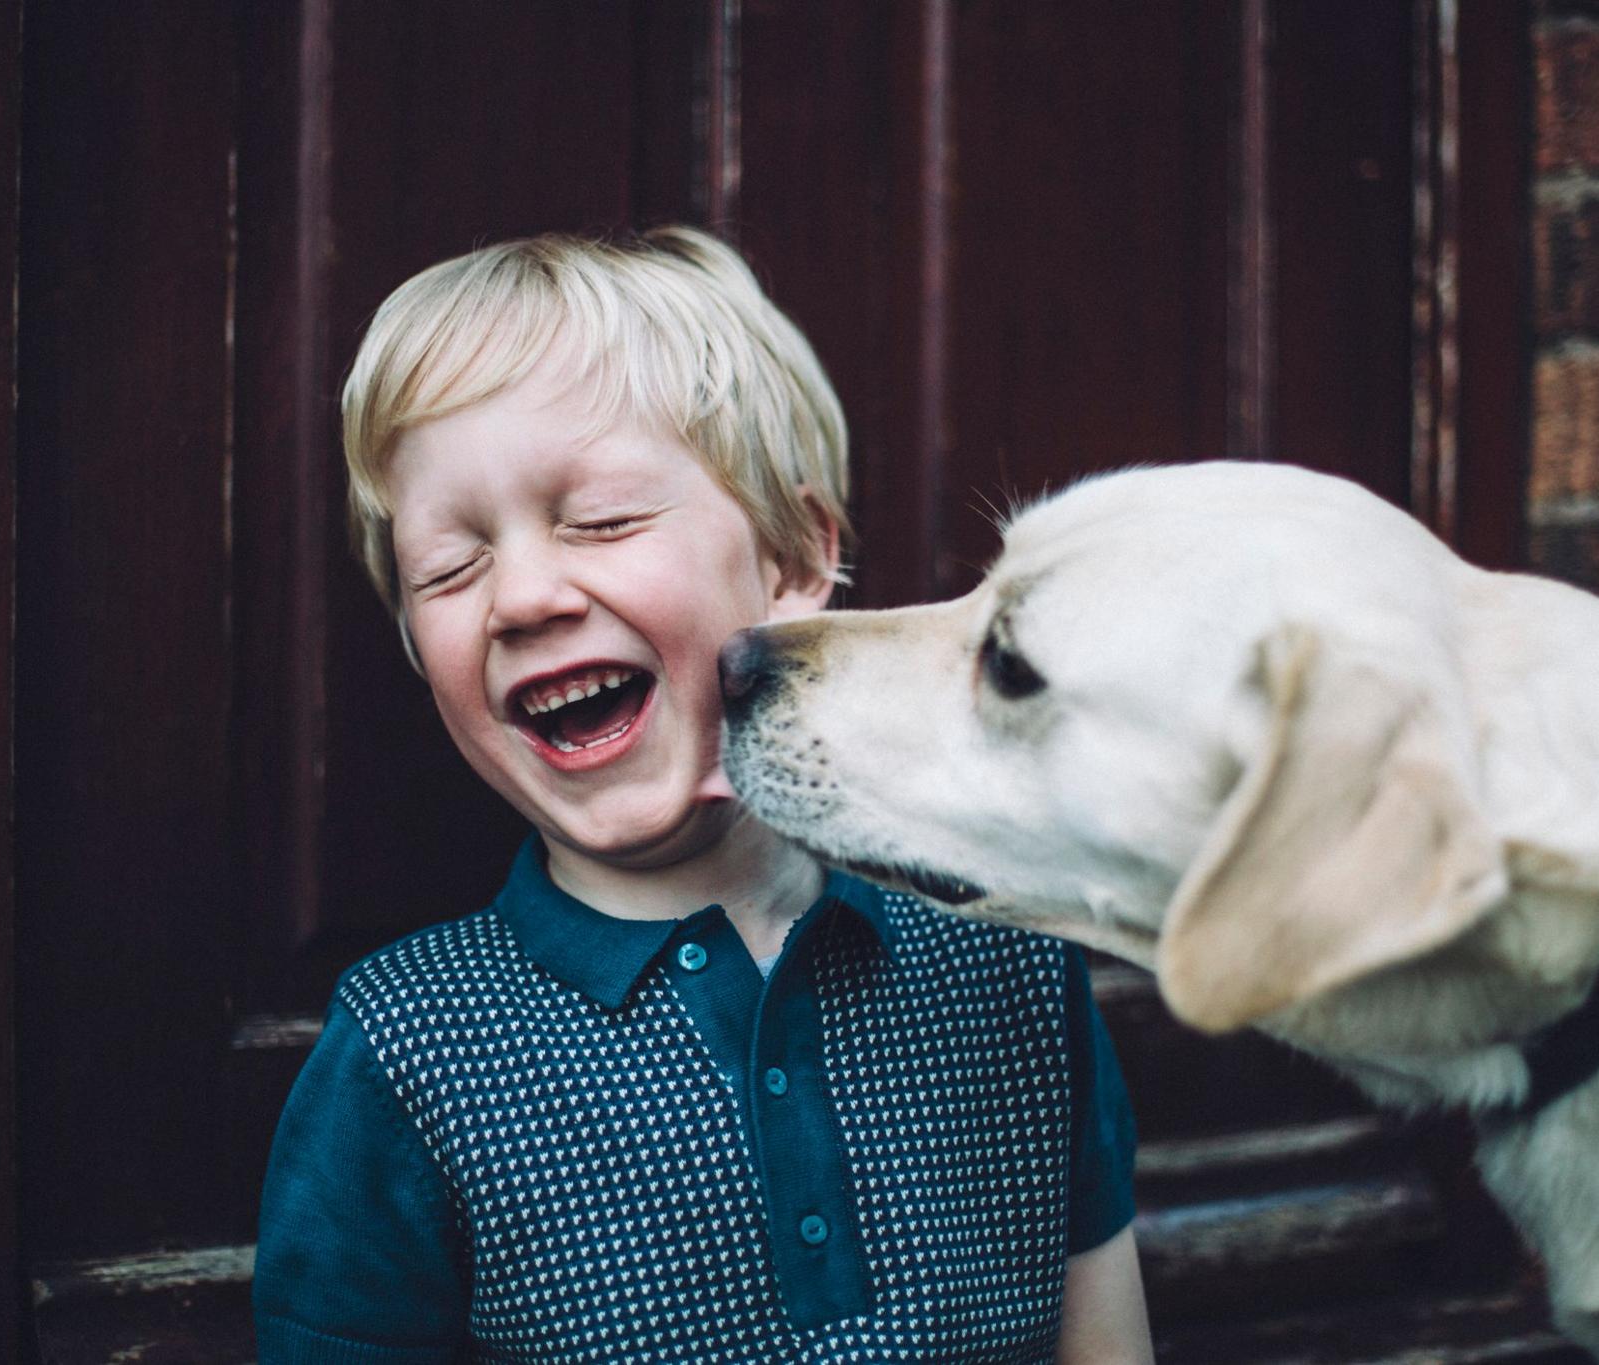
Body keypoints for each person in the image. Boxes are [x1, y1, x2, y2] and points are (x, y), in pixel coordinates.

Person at [252, 226, 1152, 1362]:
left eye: (602, 520)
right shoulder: (403, 1053)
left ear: (788, 563)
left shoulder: (1006, 952)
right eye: (450, 567)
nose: (522, 596)